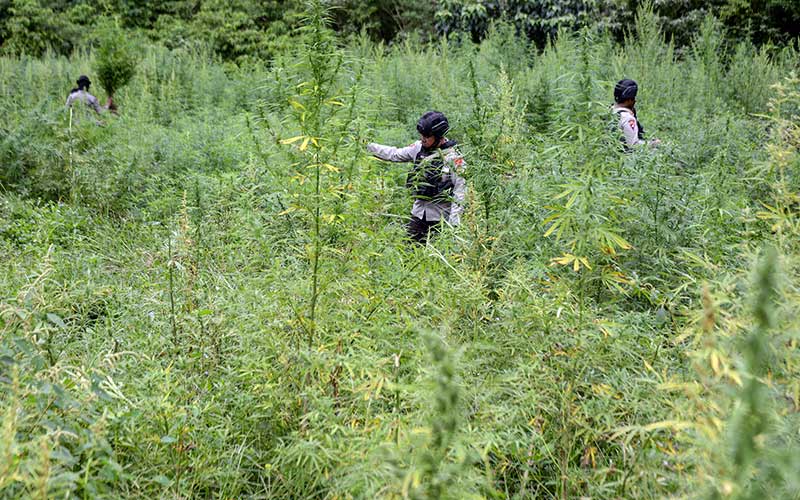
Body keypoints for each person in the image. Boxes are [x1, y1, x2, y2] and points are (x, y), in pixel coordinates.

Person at [366, 111, 466, 244]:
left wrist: (454, 226)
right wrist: (368, 146)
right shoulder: (418, 148)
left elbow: (460, 194)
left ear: (438, 136)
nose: (423, 138)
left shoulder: (454, 159)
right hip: (418, 216)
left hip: (441, 220)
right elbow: (394, 154)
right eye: (422, 135)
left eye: (427, 136)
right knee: (409, 255)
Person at [612, 79, 659, 150]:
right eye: (633, 98)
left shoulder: (610, 110)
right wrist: (652, 144)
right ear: (629, 100)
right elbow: (633, 145)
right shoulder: (627, 118)